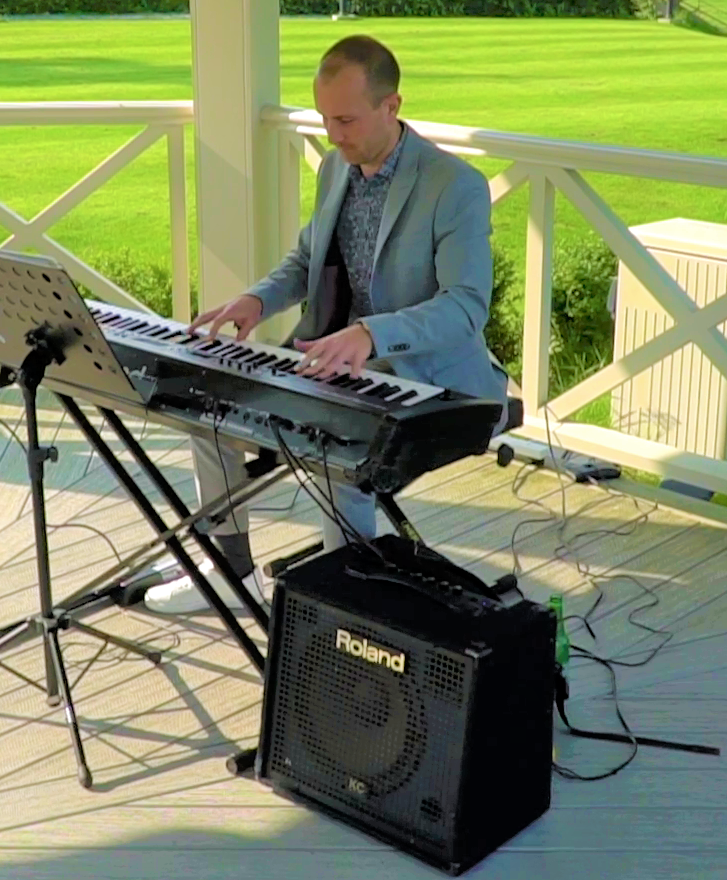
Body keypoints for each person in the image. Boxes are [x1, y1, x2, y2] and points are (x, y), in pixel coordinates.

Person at [143, 34, 509, 614]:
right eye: (323, 119)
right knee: (205, 409)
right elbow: (305, 261)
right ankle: (230, 568)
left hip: (432, 380)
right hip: (332, 361)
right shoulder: (337, 170)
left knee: (341, 456)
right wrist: (257, 302)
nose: (333, 136)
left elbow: (466, 307)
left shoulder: (454, 187)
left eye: (345, 120)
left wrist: (371, 334)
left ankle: (347, 605)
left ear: (392, 107)